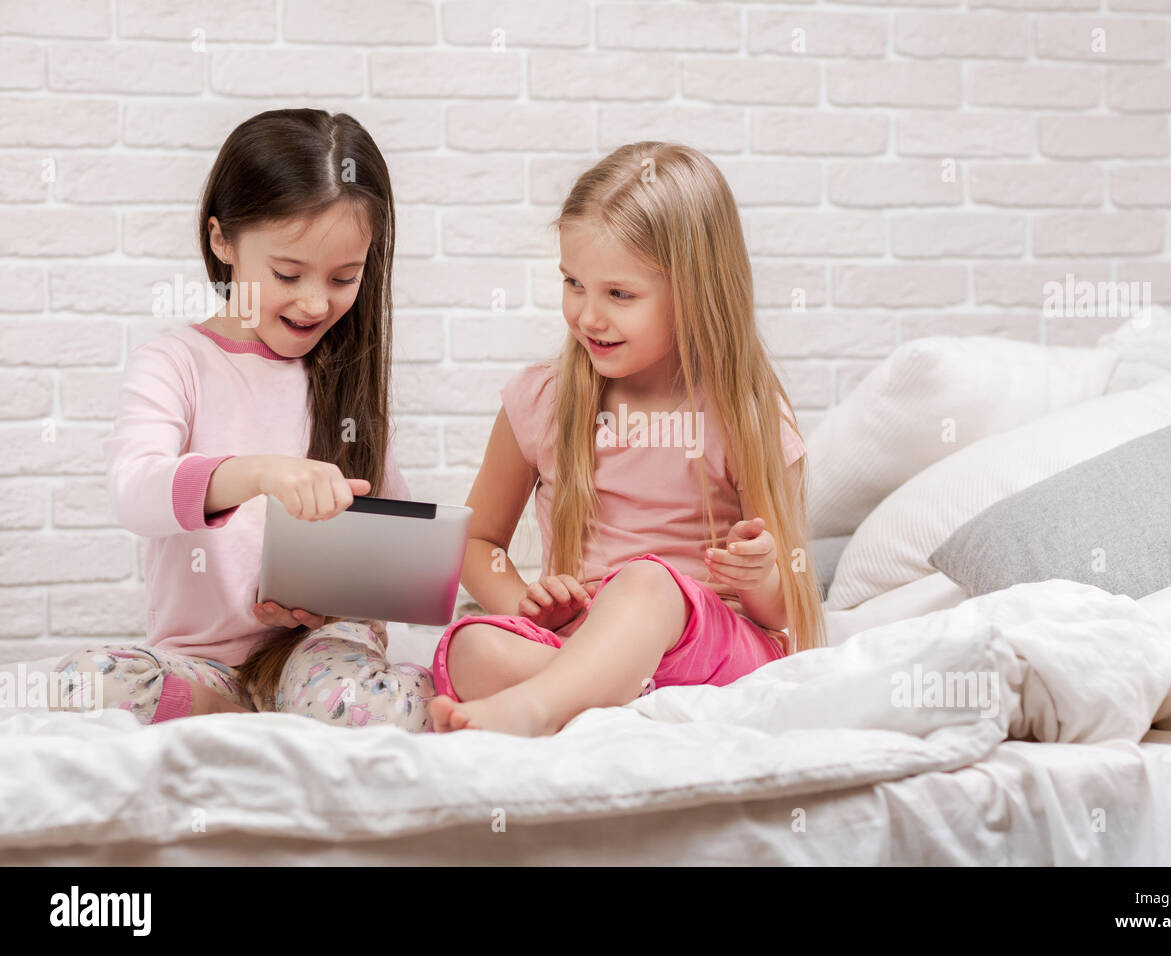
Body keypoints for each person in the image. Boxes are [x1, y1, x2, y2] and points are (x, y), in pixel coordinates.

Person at [51, 108, 434, 730]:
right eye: (288, 273)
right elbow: (135, 490)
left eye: (345, 278)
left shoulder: (347, 377)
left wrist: (330, 603)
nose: (316, 302)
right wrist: (256, 473)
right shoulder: (176, 363)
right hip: (203, 661)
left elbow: (393, 562)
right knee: (81, 684)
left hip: (321, 656)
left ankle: (300, 707)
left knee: (355, 699)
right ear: (222, 240)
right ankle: (239, 712)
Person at [428, 141, 826, 737]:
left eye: (619, 294)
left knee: (647, 580)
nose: (589, 316)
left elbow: (789, 611)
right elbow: (477, 539)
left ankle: (537, 707)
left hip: (715, 649)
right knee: (473, 645)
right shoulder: (543, 401)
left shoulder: (745, 415)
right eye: (573, 283)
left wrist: (761, 574)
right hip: (584, 636)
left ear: (697, 295)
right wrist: (525, 604)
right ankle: (605, 689)